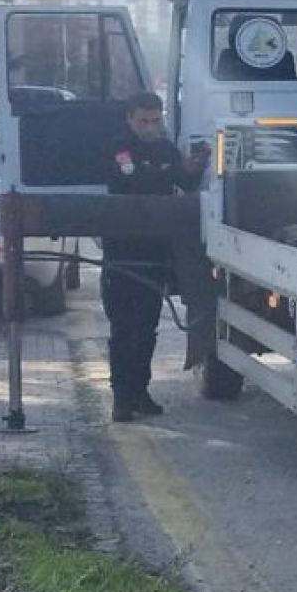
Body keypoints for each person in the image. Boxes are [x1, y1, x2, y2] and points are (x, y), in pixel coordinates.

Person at [102, 91, 204, 423]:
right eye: (143, 121)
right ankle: (121, 397)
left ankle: (140, 392)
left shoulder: (166, 150)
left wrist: (195, 167)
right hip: (122, 254)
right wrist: (173, 171)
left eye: (155, 121)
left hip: (155, 253)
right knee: (123, 329)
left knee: (147, 327)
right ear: (129, 119)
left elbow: (184, 182)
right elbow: (132, 182)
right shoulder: (118, 148)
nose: (150, 128)